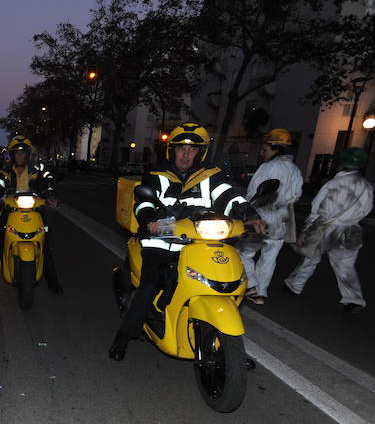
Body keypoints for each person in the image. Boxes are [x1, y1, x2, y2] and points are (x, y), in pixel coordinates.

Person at [109, 122, 266, 361]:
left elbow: (229, 195)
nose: (186, 153)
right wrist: (149, 220)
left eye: (192, 149)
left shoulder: (210, 177)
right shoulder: (157, 175)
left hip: (200, 243)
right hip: (161, 241)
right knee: (149, 285)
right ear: (172, 150)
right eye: (181, 148)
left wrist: (250, 214)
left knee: (227, 280)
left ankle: (228, 344)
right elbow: (143, 201)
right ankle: (124, 336)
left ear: (200, 153)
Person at [283, 147, 373, 312]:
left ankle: (294, 285)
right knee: (345, 267)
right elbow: (368, 209)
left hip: (327, 228)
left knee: (310, 258)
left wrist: (306, 229)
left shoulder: (333, 184)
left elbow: (316, 208)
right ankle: (354, 299)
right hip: (352, 229)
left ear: (341, 164)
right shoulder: (367, 186)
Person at [0, 135, 63, 294]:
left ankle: (53, 282)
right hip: (10, 209)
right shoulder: (5, 171)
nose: (19, 156)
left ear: (28, 154)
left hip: (35, 209)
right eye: (16, 153)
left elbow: (48, 180)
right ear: (12, 155)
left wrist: (50, 193)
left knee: (46, 243)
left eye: (22, 153)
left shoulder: (38, 170)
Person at [238, 129, 304, 304]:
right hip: (282, 218)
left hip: (261, 216)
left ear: (276, 149)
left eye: (265, 149)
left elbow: (253, 193)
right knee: (269, 256)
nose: (261, 152)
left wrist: (242, 209)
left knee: (242, 252)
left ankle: (251, 285)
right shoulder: (295, 170)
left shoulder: (268, 167)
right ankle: (260, 293)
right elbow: (297, 195)